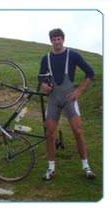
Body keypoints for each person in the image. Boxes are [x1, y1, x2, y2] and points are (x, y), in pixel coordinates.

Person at [38, 28, 96, 180]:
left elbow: (90, 73)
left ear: (63, 39)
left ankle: (86, 166)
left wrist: (79, 91)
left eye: (59, 39)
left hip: (69, 98)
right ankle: (51, 168)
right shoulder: (46, 58)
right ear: (51, 41)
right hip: (53, 99)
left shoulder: (73, 55)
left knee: (77, 131)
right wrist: (44, 85)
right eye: (54, 39)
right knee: (49, 133)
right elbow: (41, 77)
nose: (56, 42)